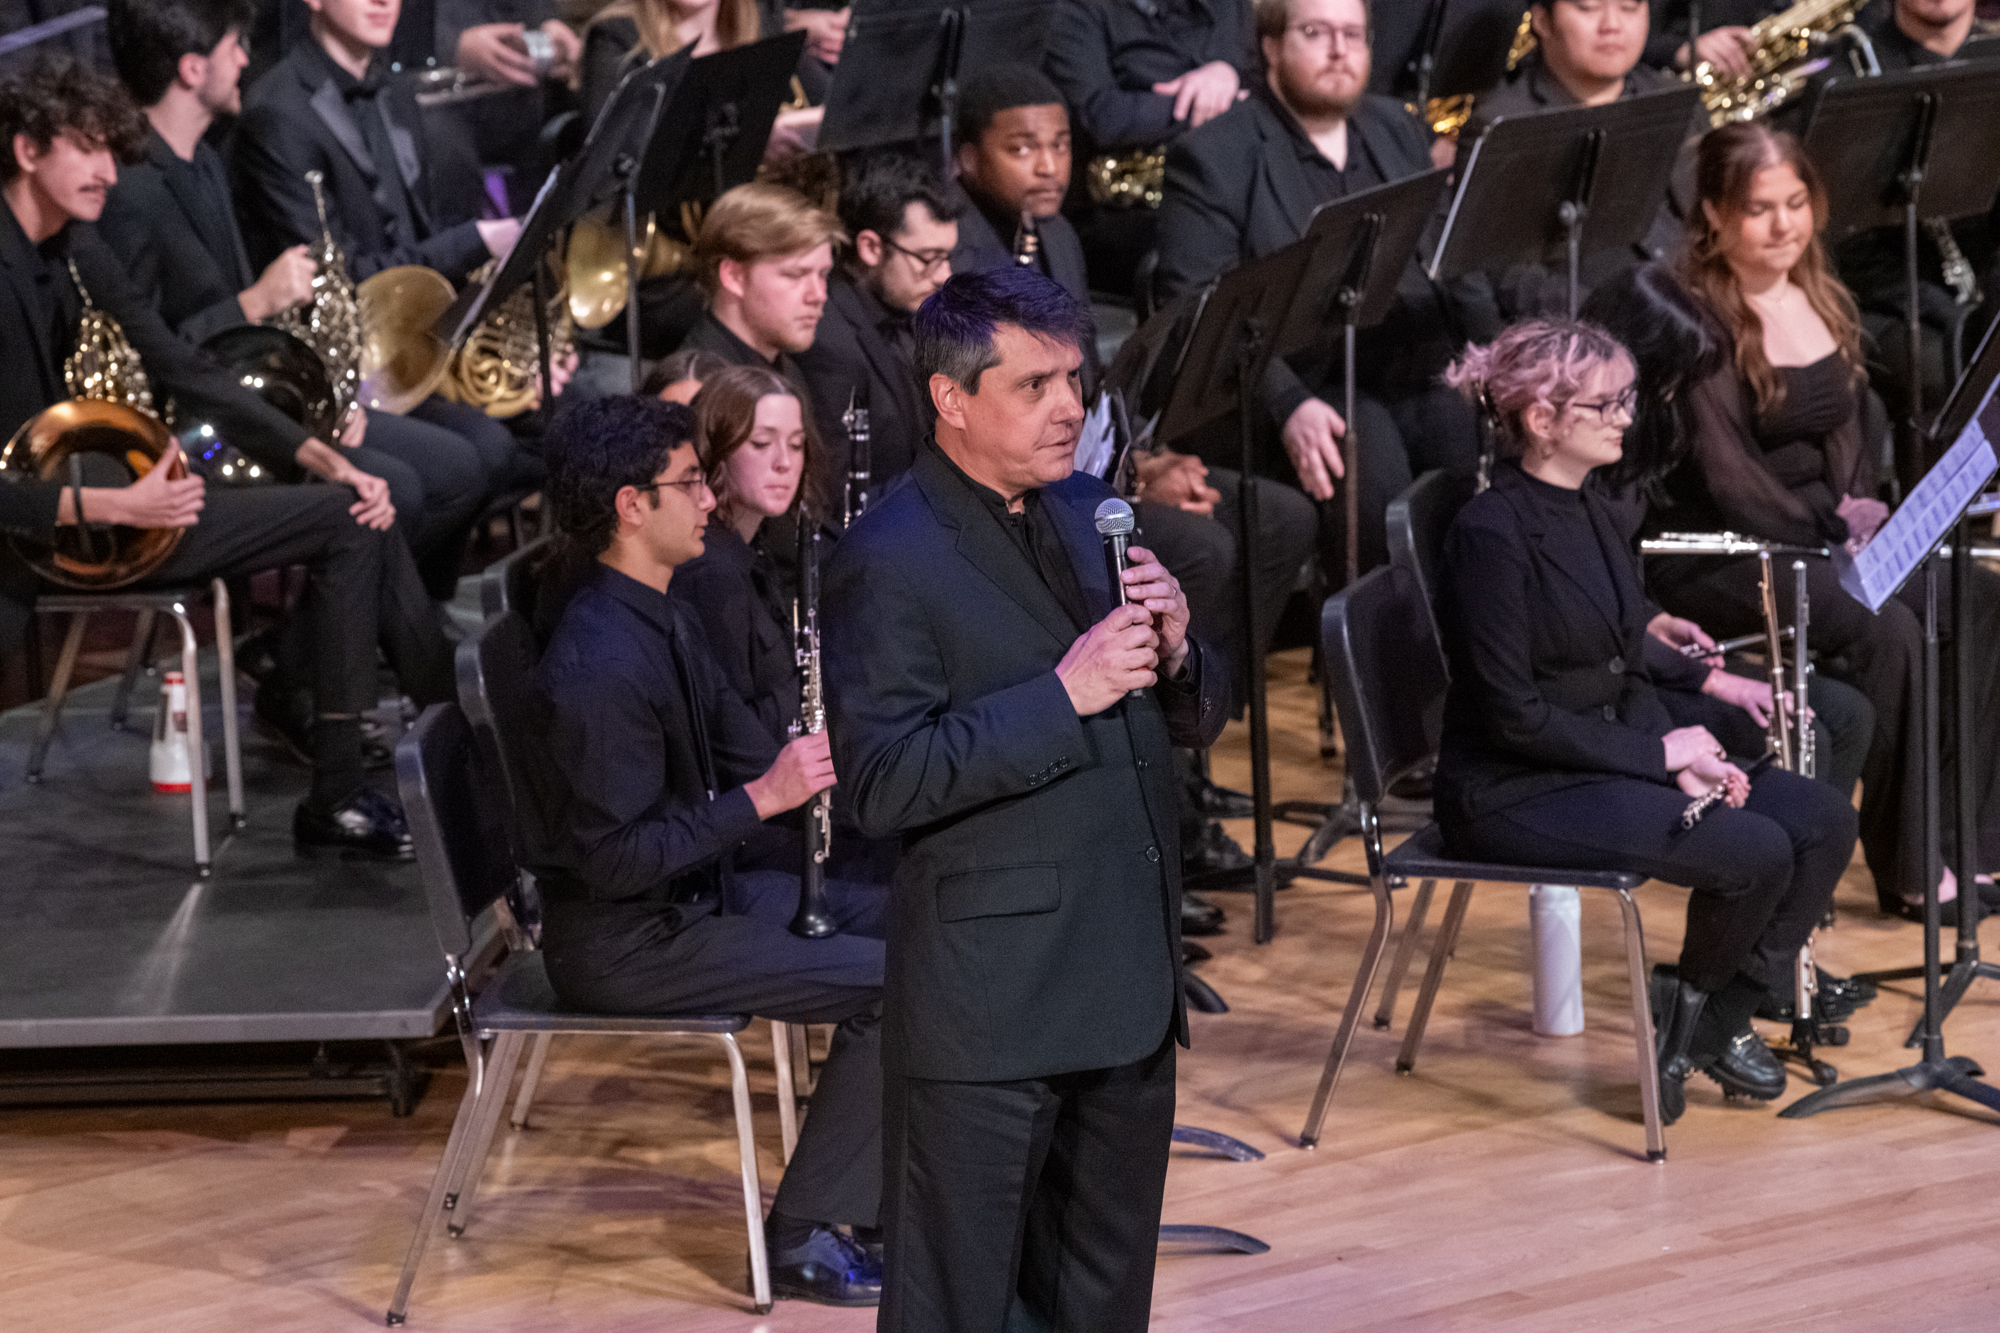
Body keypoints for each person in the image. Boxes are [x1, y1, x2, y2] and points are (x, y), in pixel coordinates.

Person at [822, 267, 1227, 1330]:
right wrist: (1061, 695)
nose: (1070, 408)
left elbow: (1182, 716)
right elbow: (879, 780)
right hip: (990, 1010)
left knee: (1099, 1299)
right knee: (958, 1303)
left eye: (1075, 382)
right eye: (1036, 385)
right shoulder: (888, 558)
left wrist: (1182, 653)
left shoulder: (1097, 511)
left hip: (1122, 986)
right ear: (951, 398)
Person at [0, 53, 454, 856]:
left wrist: (319, 452)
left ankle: (396, 761)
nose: (108, 171)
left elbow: (182, 365)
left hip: (109, 499)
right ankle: (427, 754)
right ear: (26, 150)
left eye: (112, 149)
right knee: (357, 520)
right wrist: (114, 506)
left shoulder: (72, 244)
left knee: (360, 502)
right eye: (86, 147)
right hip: (49, 529)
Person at [1434, 317, 1859, 1124]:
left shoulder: (1594, 508)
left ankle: (1707, 1019)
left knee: (1822, 819)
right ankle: (1693, 1015)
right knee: (1756, 848)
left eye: (1625, 397)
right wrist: (1660, 755)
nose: (1627, 416)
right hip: (1515, 785)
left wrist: (1687, 741)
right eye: (1608, 403)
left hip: (1599, 751)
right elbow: (1513, 715)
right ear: (1542, 420)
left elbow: (1624, 646)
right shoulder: (1490, 534)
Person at [530, 393, 886, 1306]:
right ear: (630, 506)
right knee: (895, 985)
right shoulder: (599, 661)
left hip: (692, 900)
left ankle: (890, 1192)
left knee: (922, 909)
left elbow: (750, 747)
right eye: (688, 483)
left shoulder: (663, 610)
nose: (706, 499)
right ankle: (804, 1233)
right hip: (626, 941)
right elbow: (614, 858)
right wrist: (762, 798)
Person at [1646, 122, 2000, 922]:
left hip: (1818, 534)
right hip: (1730, 550)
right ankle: (1908, 862)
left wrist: (1860, 502)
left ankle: (1970, 842)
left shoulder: (1814, 290)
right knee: (1888, 629)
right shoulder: (1693, 316)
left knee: (1975, 598)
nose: (1783, 225)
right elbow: (1729, 478)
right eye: (1759, 209)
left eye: (1796, 203)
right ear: (1713, 214)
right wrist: (1832, 526)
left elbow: (1846, 421)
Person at [97, 0, 497, 607]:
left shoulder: (205, 159)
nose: (245, 58)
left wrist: (324, 400)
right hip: (203, 431)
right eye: (233, 45)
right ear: (189, 69)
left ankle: (372, 648)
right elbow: (142, 353)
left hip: (254, 398)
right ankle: (320, 663)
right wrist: (255, 301)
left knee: (461, 467)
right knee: (406, 487)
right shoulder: (131, 191)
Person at [1154, 0, 1477, 576]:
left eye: (1354, 35)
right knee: (1369, 464)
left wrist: (1492, 352)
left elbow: (1449, 254)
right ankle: (1369, 655)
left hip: (1397, 360)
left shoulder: (1395, 126)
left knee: (1463, 440)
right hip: (1281, 380)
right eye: (1315, 32)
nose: (1338, 50)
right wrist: (1287, 404)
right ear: (1271, 47)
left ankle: (1465, 647)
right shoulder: (1212, 155)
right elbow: (1196, 301)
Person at [230, 0, 543, 511]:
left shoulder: (395, 89)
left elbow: (417, 236)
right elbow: (338, 279)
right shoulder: (277, 112)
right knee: (480, 454)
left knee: (560, 421)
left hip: (414, 344)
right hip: (345, 370)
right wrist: (473, 241)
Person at [1456, 0, 1698, 321]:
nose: (1612, 24)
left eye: (1629, 7)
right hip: (1587, 338)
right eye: (1588, 7)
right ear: (1542, 21)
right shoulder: (1502, 124)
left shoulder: (1676, 97)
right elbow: (1502, 272)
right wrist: (1616, 318)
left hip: (1700, 315)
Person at [1836, 0, 1999, 430]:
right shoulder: (1852, 68)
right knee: (1939, 374)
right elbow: (1841, 241)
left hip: (1987, 283)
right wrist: (1944, 311)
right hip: (1890, 301)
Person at [1041, 0, 1256, 294]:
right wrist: (1206, 100)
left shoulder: (1231, 6)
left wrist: (1226, 73)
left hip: (1238, 187)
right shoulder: (1076, 11)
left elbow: (1270, 76)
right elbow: (1099, 116)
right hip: (1130, 214)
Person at [794, 150, 961, 510]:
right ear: (870, 247)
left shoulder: (913, 311)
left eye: (947, 256)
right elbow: (835, 499)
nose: (944, 274)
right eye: (928, 258)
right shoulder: (828, 341)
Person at [945, 64, 1098, 391]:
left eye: (1060, 145)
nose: (1049, 168)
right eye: (1023, 149)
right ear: (969, 159)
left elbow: (1088, 372)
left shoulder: (1060, 233)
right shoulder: (944, 250)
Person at [682, 182, 841, 387]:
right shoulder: (696, 388)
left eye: (823, 275)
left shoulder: (785, 370)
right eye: (795, 275)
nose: (819, 295)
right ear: (734, 276)